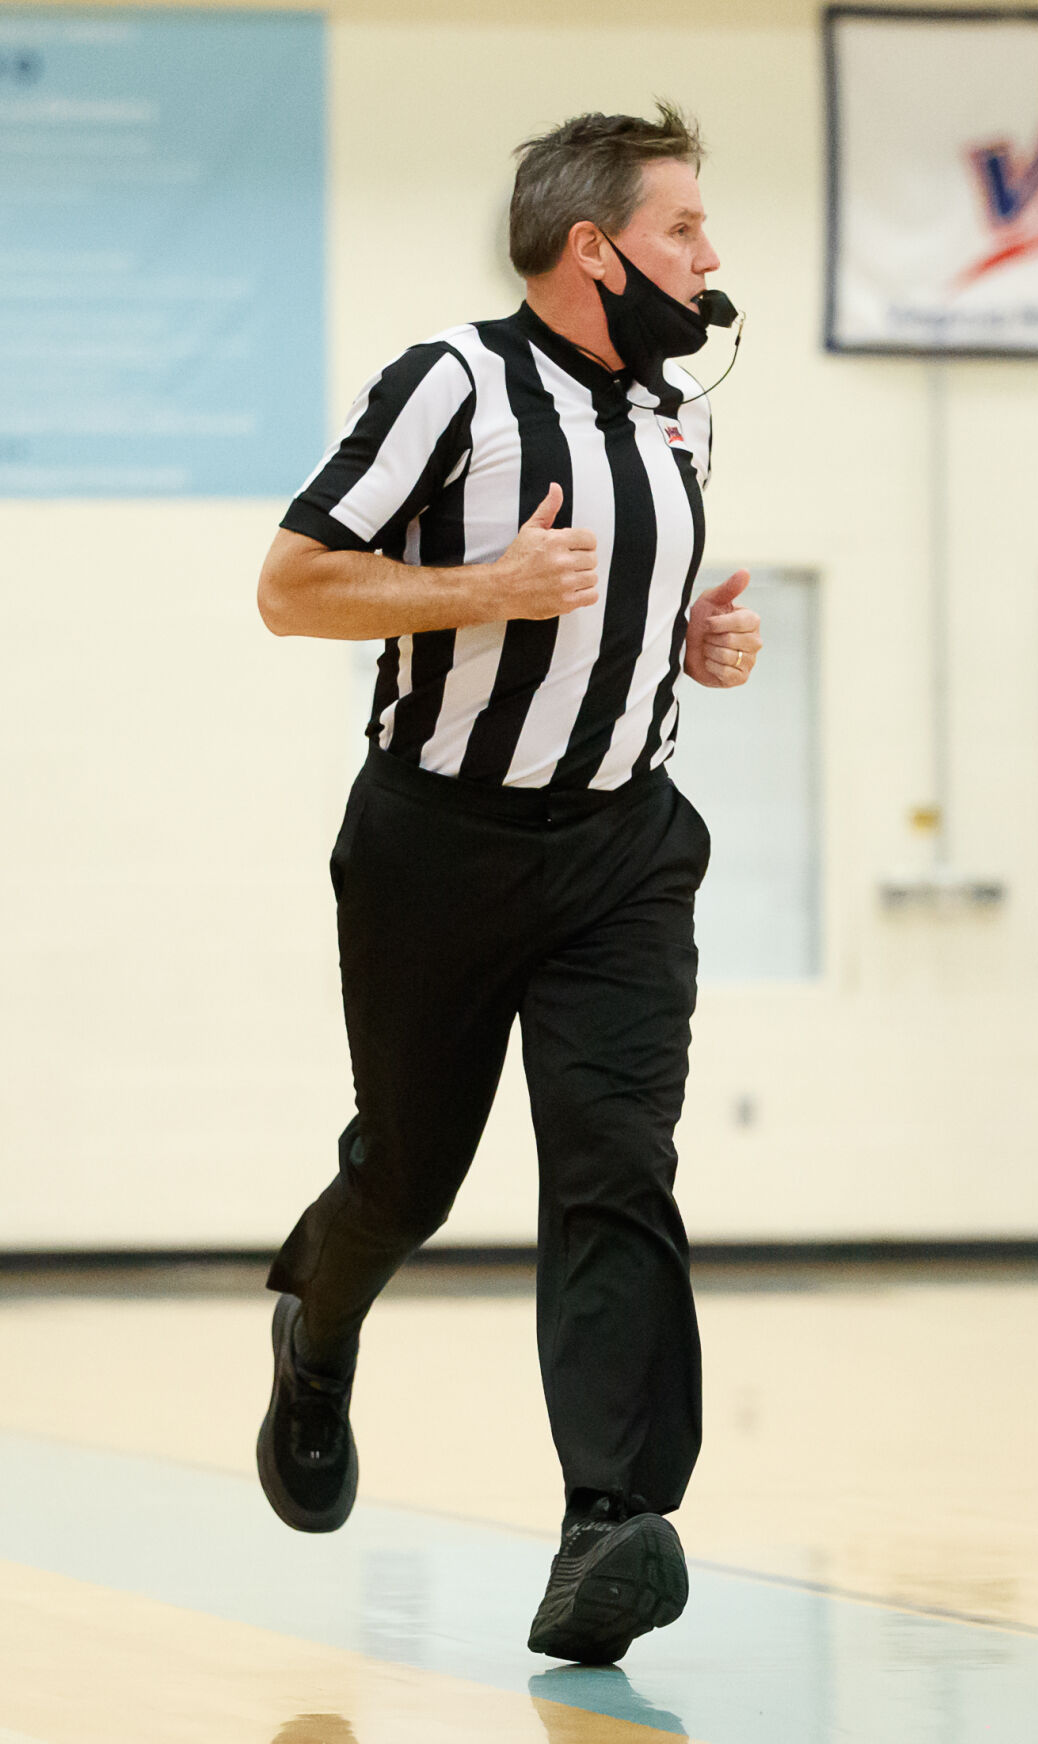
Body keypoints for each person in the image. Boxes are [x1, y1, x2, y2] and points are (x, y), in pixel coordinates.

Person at [254, 102, 761, 1666]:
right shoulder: (451, 385)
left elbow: (602, 615)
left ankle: (610, 1524)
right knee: (410, 1172)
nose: (711, 255)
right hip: (439, 849)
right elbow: (291, 586)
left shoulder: (675, 415)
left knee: (616, 1163)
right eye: (684, 228)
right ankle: (316, 1326)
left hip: (624, 851)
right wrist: (485, 585)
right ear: (595, 250)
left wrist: (691, 647)